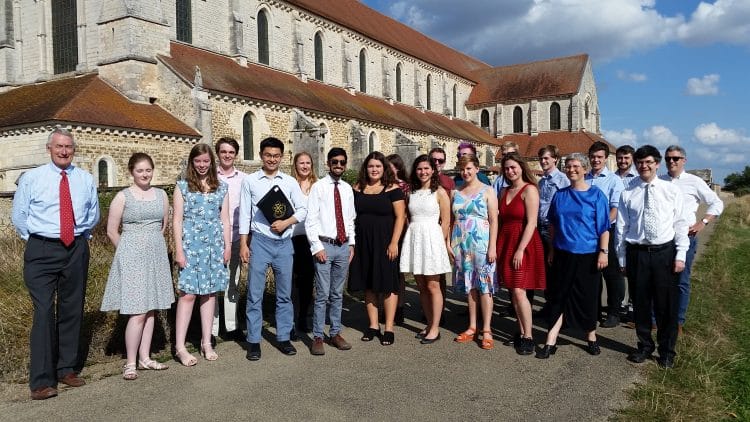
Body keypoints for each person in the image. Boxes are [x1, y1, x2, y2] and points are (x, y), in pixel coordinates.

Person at [12, 128, 100, 400]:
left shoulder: (85, 178)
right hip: (41, 248)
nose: (64, 151)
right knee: (43, 311)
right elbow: (20, 215)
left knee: (72, 308)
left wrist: (78, 236)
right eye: (59, 146)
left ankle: (66, 368)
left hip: (75, 247)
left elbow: (93, 213)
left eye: (68, 147)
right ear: (49, 148)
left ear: (74, 149)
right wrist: (39, 239)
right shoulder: (33, 178)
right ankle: (40, 380)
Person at [101, 153, 174, 379]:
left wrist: (152, 244)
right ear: (132, 172)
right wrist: (128, 250)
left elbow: (163, 226)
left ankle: (146, 357)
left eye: (148, 170)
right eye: (140, 170)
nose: (144, 174)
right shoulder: (122, 197)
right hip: (131, 254)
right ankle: (130, 362)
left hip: (156, 252)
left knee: (151, 308)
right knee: (137, 311)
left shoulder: (161, 195)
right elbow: (112, 230)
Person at [616, 145, 689, 369]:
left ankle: (667, 351)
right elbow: (622, 227)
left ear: (657, 164)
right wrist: (622, 259)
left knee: (666, 305)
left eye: (648, 162)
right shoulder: (628, 192)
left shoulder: (671, 190)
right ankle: (645, 345)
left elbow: (680, 224)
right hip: (637, 254)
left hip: (664, 253)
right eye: (640, 162)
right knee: (641, 305)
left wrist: (681, 255)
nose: (643, 166)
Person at [239, 137, 307, 361]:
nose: (272, 159)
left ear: (281, 157)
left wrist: (287, 223)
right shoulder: (250, 181)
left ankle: (284, 337)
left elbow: (303, 209)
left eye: (276, 156)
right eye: (268, 155)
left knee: (284, 294)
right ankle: (254, 341)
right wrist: (243, 244)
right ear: (261, 155)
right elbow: (245, 215)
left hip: (284, 243)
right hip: (260, 241)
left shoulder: (289, 182)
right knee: (255, 294)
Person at [536, 153, 610, 358]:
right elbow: (551, 224)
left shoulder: (597, 195)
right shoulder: (560, 195)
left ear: (585, 169)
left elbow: (604, 227)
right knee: (559, 296)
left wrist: (603, 252)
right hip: (563, 253)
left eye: (576, 166)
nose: (572, 170)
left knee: (587, 297)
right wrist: (551, 249)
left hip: (588, 254)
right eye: (568, 166)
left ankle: (591, 336)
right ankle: (551, 339)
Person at [173, 143, 231, 366]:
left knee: (210, 295)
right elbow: (177, 220)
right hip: (190, 246)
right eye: (198, 161)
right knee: (187, 295)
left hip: (214, 247)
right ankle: (179, 346)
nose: (202, 165)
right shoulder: (182, 186)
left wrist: (227, 247)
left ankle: (206, 342)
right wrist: (179, 250)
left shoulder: (221, 187)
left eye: (206, 161)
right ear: (192, 162)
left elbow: (225, 220)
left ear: (211, 162)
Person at [660, 145, 723, 333]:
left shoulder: (694, 182)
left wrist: (703, 222)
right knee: (659, 280)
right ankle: (656, 319)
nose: (672, 161)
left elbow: (716, 203)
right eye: (668, 158)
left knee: (681, 281)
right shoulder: (660, 180)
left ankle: (677, 321)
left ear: (684, 160)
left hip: (685, 238)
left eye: (676, 158)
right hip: (662, 239)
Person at [349, 151, 406, 346]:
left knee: (388, 284)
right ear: (366, 168)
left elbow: (400, 217)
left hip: (385, 242)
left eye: (378, 166)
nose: (374, 170)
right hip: (363, 241)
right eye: (371, 166)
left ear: (384, 169)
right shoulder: (357, 188)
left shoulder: (393, 189)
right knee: (369, 284)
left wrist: (394, 242)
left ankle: (388, 328)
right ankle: (373, 325)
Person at [305, 148, 356, 355]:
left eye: (342, 162)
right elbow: (311, 220)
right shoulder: (319, 187)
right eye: (335, 162)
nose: (338, 165)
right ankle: (318, 336)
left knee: (337, 293)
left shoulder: (347, 188)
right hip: (324, 246)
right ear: (328, 163)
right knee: (322, 294)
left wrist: (351, 244)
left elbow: (350, 219)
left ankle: (335, 332)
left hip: (343, 246)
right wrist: (317, 247)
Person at [497, 152, 546, 355]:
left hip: (523, 243)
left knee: (519, 290)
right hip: (506, 240)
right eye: (507, 168)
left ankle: (528, 336)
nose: (510, 171)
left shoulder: (530, 190)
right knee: (512, 291)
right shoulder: (504, 191)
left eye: (513, 167)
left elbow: (532, 223)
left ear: (521, 167)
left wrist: (520, 249)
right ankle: (520, 330)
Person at [400, 154, 451, 344]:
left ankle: (436, 328)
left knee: (433, 285)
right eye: (420, 169)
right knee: (421, 286)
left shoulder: (439, 192)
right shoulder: (410, 192)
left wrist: (440, 243)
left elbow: (446, 221)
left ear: (432, 170)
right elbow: (407, 217)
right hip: (415, 237)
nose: (423, 172)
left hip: (432, 239)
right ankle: (429, 323)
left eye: (426, 168)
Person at [451, 154, 498, 350]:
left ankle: (486, 329)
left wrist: (492, 246)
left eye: (469, 168)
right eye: (462, 169)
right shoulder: (455, 192)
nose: (466, 172)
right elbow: (452, 220)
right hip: (461, 243)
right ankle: (472, 326)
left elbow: (494, 220)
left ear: (477, 169)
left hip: (482, 242)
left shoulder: (488, 190)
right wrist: (449, 243)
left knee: (484, 286)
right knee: (469, 285)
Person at [585, 141, 626, 328]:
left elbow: (615, 209)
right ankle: (594, 311)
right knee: (593, 273)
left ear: (605, 158)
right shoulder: (584, 178)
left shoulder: (613, 180)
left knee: (611, 273)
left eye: (599, 157)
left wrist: (601, 227)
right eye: (593, 157)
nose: (596, 160)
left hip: (607, 231)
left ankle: (614, 312)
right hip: (586, 233)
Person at [212, 137, 247, 341]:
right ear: (218, 154)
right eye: (223, 151)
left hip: (235, 237)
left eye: (231, 152)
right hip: (213, 239)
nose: (227, 155)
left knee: (232, 282)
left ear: (236, 154)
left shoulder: (244, 179)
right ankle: (212, 329)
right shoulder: (209, 177)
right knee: (213, 285)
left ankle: (232, 326)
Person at [291, 151, 317, 335]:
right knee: (291, 281)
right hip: (292, 237)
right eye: (301, 163)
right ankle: (290, 320)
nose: (305, 166)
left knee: (307, 281)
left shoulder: (318, 186)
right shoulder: (289, 184)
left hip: (311, 238)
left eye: (308, 163)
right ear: (296, 165)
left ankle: (303, 318)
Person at [386, 153, 409, 325]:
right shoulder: (382, 185)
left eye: (389, 166)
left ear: (397, 168)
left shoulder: (404, 187)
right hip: (384, 231)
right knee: (385, 271)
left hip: (401, 231)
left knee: (398, 273)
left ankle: (399, 308)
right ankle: (385, 308)